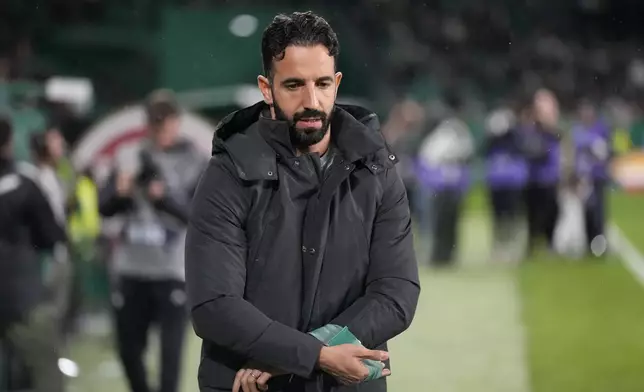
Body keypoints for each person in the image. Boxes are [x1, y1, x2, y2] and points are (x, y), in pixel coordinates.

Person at [185, 11, 420, 392]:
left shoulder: (377, 169)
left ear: (337, 83)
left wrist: (299, 355)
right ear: (267, 88)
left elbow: (396, 293)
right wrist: (316, 357)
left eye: (322, 83)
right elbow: (214, 306)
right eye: (294, 85)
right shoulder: (227, 175)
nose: (312, 101)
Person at [99, 90, 206, 392]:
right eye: (154, 121)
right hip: (131, 267)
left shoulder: (193, 159)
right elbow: (103, 207)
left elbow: (196, 216)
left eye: (165, 121)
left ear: (176, 121)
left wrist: (164, 199)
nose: (160, 128)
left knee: (171, 354)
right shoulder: (128, 154)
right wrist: (120, 193)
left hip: (171, 270)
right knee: (128, 350)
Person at [0, 117, 67, 392]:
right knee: (45, 376)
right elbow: (51, 236)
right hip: (20, 296)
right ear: (9, 142)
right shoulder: (23, 182)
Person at [415, 94, 474, 266]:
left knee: (451, 221)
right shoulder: (437, 135)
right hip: (440, 184)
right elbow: (428, 157)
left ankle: (449, 254)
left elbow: (467, 152)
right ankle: (439, 255)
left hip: (453, 184)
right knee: (439, 222)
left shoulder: (459, 131)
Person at [482, 107, 528, 262]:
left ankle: (512, 248)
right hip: (497, 183)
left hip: (512, 183)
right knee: (498, 218)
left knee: (512, 217)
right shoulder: (492, 143)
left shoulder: (515, 139)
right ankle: (499, 248)